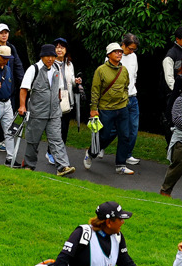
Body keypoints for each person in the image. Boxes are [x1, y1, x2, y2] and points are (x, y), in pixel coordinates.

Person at [18, 44, 75, 176]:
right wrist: (22, 106)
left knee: (57, 139)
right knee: (33, 140)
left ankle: (62, 166)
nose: (50, 58)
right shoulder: (34, 69)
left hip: (54, 112)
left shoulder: (56, 69)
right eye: (47, 56)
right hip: (37, 112)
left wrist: (58, 102)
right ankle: (28, 165)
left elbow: (59, 88)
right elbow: (24, 89)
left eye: (53, 56)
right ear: (42, 56)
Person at [85, 43, 134, 175]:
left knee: (125, 135)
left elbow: (126, 86)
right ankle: (90, 153)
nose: (119, 54)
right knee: (105, 135)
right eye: (116, 52)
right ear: (109, 55)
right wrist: (93, 108)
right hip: (106, 109)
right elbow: (95, 90)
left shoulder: (123, 70)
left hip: (122, 107)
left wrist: (125, 100)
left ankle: (121, 165)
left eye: (120, 52)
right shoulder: (100, 70)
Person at [50, 38, 83, 166]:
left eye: (62, 47)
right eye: (57, 47)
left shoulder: (69, 64)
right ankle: (52, 152)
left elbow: (70, 81)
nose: (59, 49)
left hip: (67, 100)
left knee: (64, 128)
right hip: (54, 99)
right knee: (55, 128)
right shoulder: (50, 63)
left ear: (66, 50)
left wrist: (76, 81)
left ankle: (59, 152)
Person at [161, 26, 182, 127]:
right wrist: (176, 90)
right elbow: (169, 77)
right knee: (173, 120)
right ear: (177, 39)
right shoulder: (171, 55)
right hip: (174, 93)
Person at [121, 34, 142, 162]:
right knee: (113, 129)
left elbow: (134, 75)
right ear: (123, 44)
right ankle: (100, 146)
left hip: (132, 96)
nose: (132, 51)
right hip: (119, 98)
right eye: (130, 48)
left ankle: (127, 154)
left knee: (133, 128)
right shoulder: (114, 55)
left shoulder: (134, 56)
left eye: (134, 49)